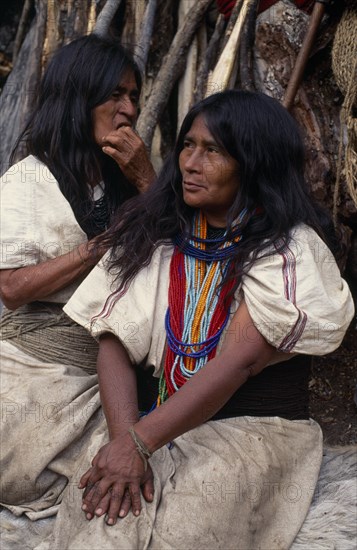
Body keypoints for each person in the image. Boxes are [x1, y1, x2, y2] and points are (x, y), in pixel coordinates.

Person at [38, 90, 354, 549]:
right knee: (101, 514)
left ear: (254, 162)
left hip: (251, 431)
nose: (190, 162)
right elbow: (114, 340)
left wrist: (140, 445)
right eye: (188, 145)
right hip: (148, 420)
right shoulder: (159, 235)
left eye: (214, 151)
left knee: (185, 528)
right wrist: (124, 442)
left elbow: (239, 362)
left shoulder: (287, 252)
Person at [0, 34, 155, 518]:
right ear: (77, 99)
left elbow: (184, 252)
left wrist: (148, 179)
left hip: (112, 364)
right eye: (115, 95)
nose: (128, 109)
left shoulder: (124, 177)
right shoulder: (28, 179)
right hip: (36, 367)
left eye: (133, 96)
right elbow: (11, 287)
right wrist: (103, 243)